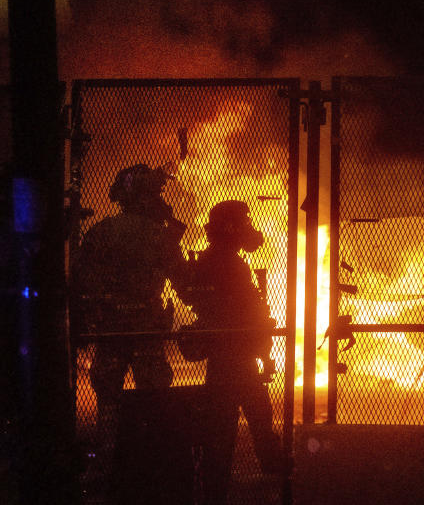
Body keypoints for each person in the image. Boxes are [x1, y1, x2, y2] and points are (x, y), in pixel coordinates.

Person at [179, 200, 284, 503]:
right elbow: (242, 310)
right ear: (231, 228)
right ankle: (275, 472)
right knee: (251, 419)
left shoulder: (215, 259)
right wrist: (261, 327)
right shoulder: (228, 262)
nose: (249, 230)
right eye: (244, 224)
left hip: (227, 358)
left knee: (228, 425)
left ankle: (219, 485)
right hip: (235, 357)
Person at [71, 164, 188, 411]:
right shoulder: (158, 235)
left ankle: (109, 445)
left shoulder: (103, 231)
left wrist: (91, 310)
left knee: (108, 397)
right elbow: (184, 283)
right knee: (154, 399)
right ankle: (151, 444)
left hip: (111, 325)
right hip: (147, 327)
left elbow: (80, 275)